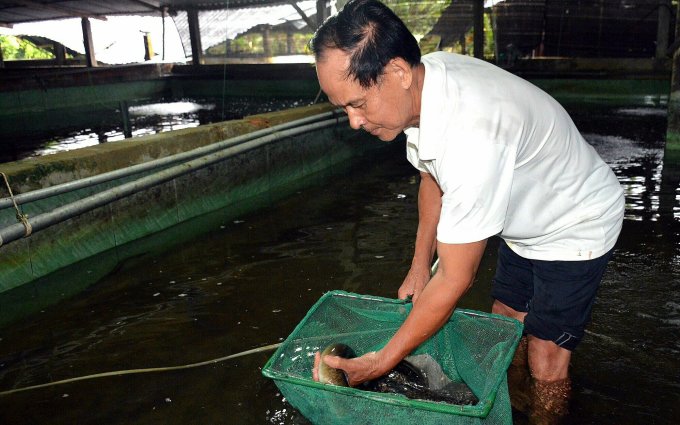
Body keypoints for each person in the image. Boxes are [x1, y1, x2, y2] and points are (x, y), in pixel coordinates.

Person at [310, 0, 624, 420]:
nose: (353, 121)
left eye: (358, 104)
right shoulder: (426, 81)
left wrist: (380, 362)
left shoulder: (472, 133)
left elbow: (457, 277)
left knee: (547, 358)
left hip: (576, 221)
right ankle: (513, 399)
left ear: (398, 72)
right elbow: (431, 178)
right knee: (506, 324)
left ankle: (545, 413)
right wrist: (420, 266)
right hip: (524, 218)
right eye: (342, 108)